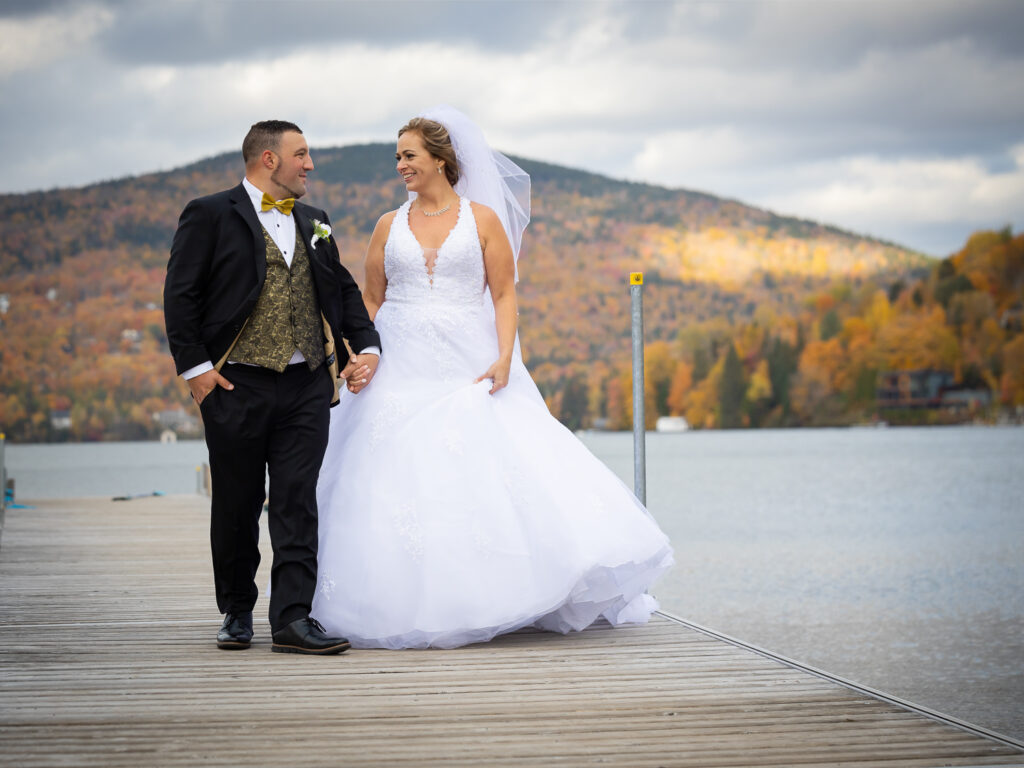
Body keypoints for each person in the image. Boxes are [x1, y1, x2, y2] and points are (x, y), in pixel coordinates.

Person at [312, 106, 674, 649]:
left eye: (409, 156)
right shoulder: (388, 224)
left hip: (469, 356)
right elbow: (370, 298)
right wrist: (361, 353)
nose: (400, 166)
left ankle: (515, 590)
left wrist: (505, 357)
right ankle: (403, 599)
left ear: (440, 159)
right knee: (391, 467)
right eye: (397, 158)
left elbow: (504, 293)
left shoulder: (482, 220)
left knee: (487, 460)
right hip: (400, 359)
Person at [164, 120, 381, 654]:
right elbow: (181, 294)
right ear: (268, 159)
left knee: (296, 501)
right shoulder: (210, 214)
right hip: (235, 384)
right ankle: (237, 611)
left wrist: (367, 347)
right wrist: (197, 371)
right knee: (237, 502)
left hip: (307, 384)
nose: (309, 165)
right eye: (301, 154)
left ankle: (292, 618)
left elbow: (343, 288)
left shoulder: (315, 220)